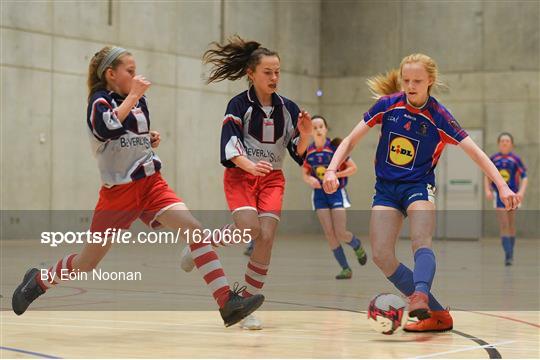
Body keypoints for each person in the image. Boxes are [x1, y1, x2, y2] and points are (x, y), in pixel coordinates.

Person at [12, 46, 263, 327]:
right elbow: (105, 129)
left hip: (151, 183)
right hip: (119, 193)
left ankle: (226, 302)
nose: (136, 75)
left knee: (195, 230)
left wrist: (148, 138)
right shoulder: (99, 102)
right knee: (87, 262)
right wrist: (133, 96)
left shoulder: (137, 102)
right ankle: (39, 280)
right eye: (129, 71)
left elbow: (129, 133)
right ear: (110, 74)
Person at [323, 53, 519, 332]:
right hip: (386, 190)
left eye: (417, 81)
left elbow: (474, 152)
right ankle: (438, 315)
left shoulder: (439, 116)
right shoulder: (388, 105)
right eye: (406, 80)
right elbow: (351, 139)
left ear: (430, 81)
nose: (411, 85)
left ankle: (420, 295)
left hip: (418, 186)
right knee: (380, 254)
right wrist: (331, 169)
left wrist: (501, 185)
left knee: (420, 241)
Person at [180, 36, 312, 330]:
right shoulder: (239, 104)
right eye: (268, 72)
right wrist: (250, 165)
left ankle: (246, 305)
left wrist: (305, 136)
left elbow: (297, 152)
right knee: (248, 229)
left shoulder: (288, 109)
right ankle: (202, 243)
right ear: (251, 74)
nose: (274, 77)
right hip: (241, 174)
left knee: (265, 237)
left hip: (273, 179)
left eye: (278, 71)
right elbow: (229, 145)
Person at [302, 115, 367, 279]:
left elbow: (353, 168)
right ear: (311, 131)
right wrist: (310, 180)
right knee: (329, 234)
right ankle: (346, 268)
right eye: (314, 127)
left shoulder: (334, 147)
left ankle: (356, 245)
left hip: (336, 192)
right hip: (319, 195)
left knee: (340, 232)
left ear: (325, 129)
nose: (317, 130)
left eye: (320, 127)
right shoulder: (308, 151)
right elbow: (305, 174)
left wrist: (336, 173)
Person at [485, 132, 527, 265]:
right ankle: (508, 255)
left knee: (511, 224)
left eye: (507, 141)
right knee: (503, 224)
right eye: (502, 141)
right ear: (498, 143)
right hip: (499, 195)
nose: (504, 143)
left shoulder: (515, 159)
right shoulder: (494, 159)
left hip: (513, 195)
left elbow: (524, 177)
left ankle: (511, 251)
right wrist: (487, 190)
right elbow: (487, 174)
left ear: (511, 144)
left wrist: (521, 192)